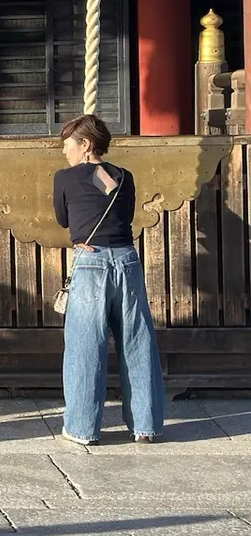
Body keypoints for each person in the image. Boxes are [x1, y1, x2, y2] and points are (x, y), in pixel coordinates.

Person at [54, 114, 165, 445]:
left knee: (85, 345)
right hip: (127, 260)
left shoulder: (64, 178)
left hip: (91, 262)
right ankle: (145, 426)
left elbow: (63, 218)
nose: (64, 151)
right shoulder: (124, 176)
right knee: (137, 341)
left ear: (85, 144)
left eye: (68, 144)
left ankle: (82, 429)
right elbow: (126, 216)